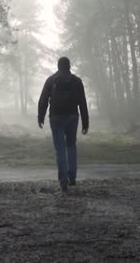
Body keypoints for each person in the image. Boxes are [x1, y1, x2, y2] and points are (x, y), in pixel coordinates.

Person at [38, 56, 89, 192]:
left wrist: (40, 116)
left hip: (56, 117)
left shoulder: (51, 80)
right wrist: (85, 122)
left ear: (58, 66)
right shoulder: (77, 81)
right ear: (69, 66)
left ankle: (63, 182)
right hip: (73, 116)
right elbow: (82, 102)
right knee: (71, 145)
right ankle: (72, 176)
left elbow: (43, 99)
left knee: (60, 149)